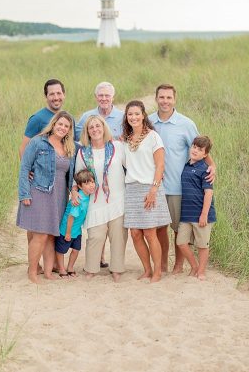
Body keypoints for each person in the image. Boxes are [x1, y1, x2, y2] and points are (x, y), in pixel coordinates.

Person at [149, 84, 215, 275]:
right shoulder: (149, 122)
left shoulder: (186, 123)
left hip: (179, 188)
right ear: (156, 99)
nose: (165, 101)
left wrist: (213, 166)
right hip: (157, 186)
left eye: (169, 97)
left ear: (174, 100)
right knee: (160, 228)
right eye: (161, 97)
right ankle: (162, 264)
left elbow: (202, 148)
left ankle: (179, 265)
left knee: (178, 230)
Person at [17, 111, 77, 283]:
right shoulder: (38, 142)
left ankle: (49, 272)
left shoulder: (70, 147)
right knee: (41, 234)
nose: (62, 128)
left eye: (66, 126)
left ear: (69, 129)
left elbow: (70, 174)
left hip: (59, 196)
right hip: (39, 192)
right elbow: (24, 168)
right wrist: (24, 193)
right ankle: (33, 271)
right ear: (53, 124)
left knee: (51, 234)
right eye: (60, 124)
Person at [122, 100, 172, 283]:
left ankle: (158, 271)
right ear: (126, 118)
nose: (133, 117)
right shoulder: (126, 140)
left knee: (150, 233)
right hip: (132, 189)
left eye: (136, 113)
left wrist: (153, 188)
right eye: (130, 114)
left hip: (150, 188)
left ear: (143, 115)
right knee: (135, 233)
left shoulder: (153, 137)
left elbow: (160, 165)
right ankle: (147, 269)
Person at [75, 114, 129, 281]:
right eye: (91, 127)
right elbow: (78, 177)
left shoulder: (118, 147)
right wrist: (74, 191)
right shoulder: (83, 153)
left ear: (104, 127)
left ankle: (117, 269)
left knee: (118, 236)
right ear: (87, 132)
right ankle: (91, 268)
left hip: (118, 198)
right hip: (95, 201)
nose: (95, 129)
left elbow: (131, 168)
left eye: (98, 126)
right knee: (95, 236)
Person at [176, 135, 216, 280]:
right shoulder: (186, 166)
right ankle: (194, 266)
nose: (195, 150)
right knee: (181, 242)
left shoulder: (205, 169)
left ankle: (201, 271)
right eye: (194, 147)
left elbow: (208, 193)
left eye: (199, 149)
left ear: (205, 154)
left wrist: (204, 214)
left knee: (202, 245)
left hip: (202, 214)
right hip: (186, 214)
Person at [54, 169, 95, 278]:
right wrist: (67, 233)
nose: (91, 185)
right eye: (87, 183)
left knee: (76, 249)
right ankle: (62, 269)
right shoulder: (79, 200)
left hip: (77, 230)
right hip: (67, 229)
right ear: (80, 187)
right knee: (61, 250)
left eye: (92, 182)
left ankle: (70, 267)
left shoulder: (88, 196)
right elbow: (71, 217)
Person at [19, 79, 67, 159]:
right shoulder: (37, 119)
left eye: (59, 93)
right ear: (46, 96)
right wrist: (28, 170)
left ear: (64, 94)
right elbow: (23, 149)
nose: (56, 97)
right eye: (51, 94)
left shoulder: (68, 118)